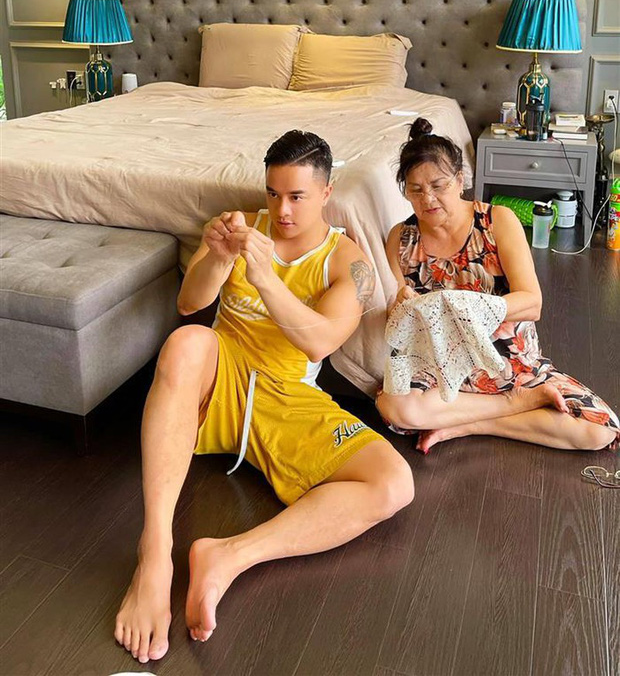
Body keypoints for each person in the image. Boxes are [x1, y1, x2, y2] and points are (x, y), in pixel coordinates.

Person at [115, 130, 414, 665]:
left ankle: (228, 557)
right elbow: (189, 303)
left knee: (394, 483)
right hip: (221, 375)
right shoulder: (240, 226)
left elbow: (321, 341)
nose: (282, 210)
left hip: (289, 397)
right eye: (273, 194)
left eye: (297, 196)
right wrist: (216, 257)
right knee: (187, 342)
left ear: (326, 192)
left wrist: (265, 276)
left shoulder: (350, 262)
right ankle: (154, 553)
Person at [376, 117, 619, 454]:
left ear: (460, 180)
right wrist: (401, 305)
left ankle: (467, 423)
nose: (427, 199)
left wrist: (464, 304)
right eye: (415, 190)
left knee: (599, 430)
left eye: (438, 185)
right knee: (396, 408)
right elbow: (397, 319)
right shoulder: (401, 238)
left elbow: (532, 303)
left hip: (505, 360)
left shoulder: (496, 221)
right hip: (442, 367)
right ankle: (515, 404)